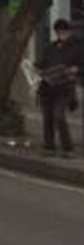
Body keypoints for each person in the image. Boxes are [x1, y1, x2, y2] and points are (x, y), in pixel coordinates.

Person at [36, 19, 80, 156]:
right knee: (47, 118)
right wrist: (35, 69)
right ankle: (49, 146)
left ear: (70, 32)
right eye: (59, 31)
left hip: (64, 87)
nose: (62, 34)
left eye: (65, 31)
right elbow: (41, 64)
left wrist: (75, 69)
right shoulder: (50, 47)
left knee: (59, 116)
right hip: (47, 87)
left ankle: (68, 148)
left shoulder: (77, 47)